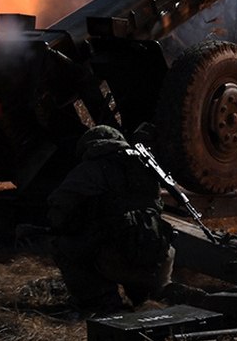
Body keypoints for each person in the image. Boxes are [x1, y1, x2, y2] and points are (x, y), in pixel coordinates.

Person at [47, 125, 175, 315]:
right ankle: (154, 295)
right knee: (155, 291)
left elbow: (58, 209)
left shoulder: (89, 170)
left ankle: (101, 301)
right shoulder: (145, 167)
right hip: (157, 258)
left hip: (114, 259)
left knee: (61, 244)